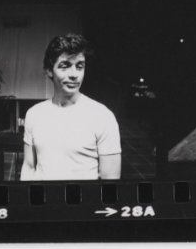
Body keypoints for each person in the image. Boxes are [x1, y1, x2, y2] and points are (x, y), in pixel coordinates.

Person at [21, 34, 121, 181]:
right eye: (65, 66)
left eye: (79, 66)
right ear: (49, 70)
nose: (74, 74)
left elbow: (110, 179)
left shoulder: (102, 116)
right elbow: (29, 167)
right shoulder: (34, 114)